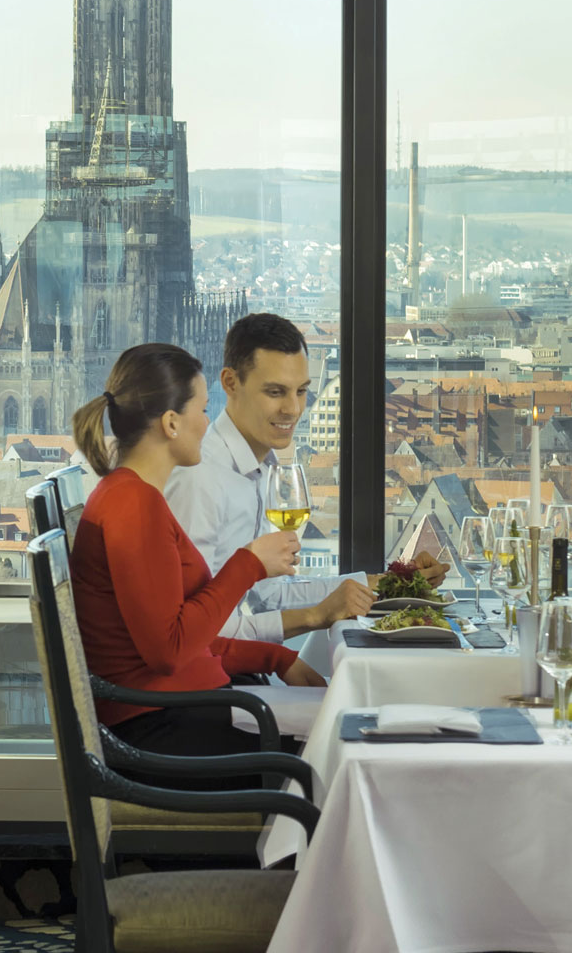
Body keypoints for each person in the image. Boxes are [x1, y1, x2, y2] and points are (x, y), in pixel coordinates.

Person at [67, 342, 321, 768]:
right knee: (335, 747)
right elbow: (170, 650)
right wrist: (250, 564)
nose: (207, 424)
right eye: (203, 410)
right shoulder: (134, 507)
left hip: (175, 711)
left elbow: (185, 638)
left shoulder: (132, 496)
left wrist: (276, 657)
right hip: (159, 731)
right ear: (171, 423)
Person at [159, 312, 378, 650]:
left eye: (302, 391)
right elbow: (194, 632)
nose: (293, 409)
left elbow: (269, 596)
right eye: (276, 392)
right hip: (216, 679)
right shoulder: (200, 476)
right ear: (231, 383)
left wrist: (382, 585)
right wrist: (313, 617)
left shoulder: (258, 467)